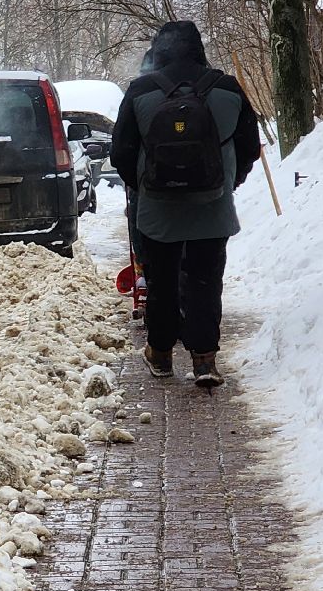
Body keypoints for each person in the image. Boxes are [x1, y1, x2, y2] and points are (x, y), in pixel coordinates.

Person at [109, 21, 262, 388]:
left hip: (157, 211)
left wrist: (142, 186)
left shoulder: (141, 91)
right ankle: (205, 359)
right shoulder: (226, 89)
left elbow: (121, 152)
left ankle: (160, 354)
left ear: (158, 51)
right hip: (212, 208)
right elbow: (249, 148)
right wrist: (229, 182)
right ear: (199, 49)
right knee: (206, 280)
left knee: (161, 281)